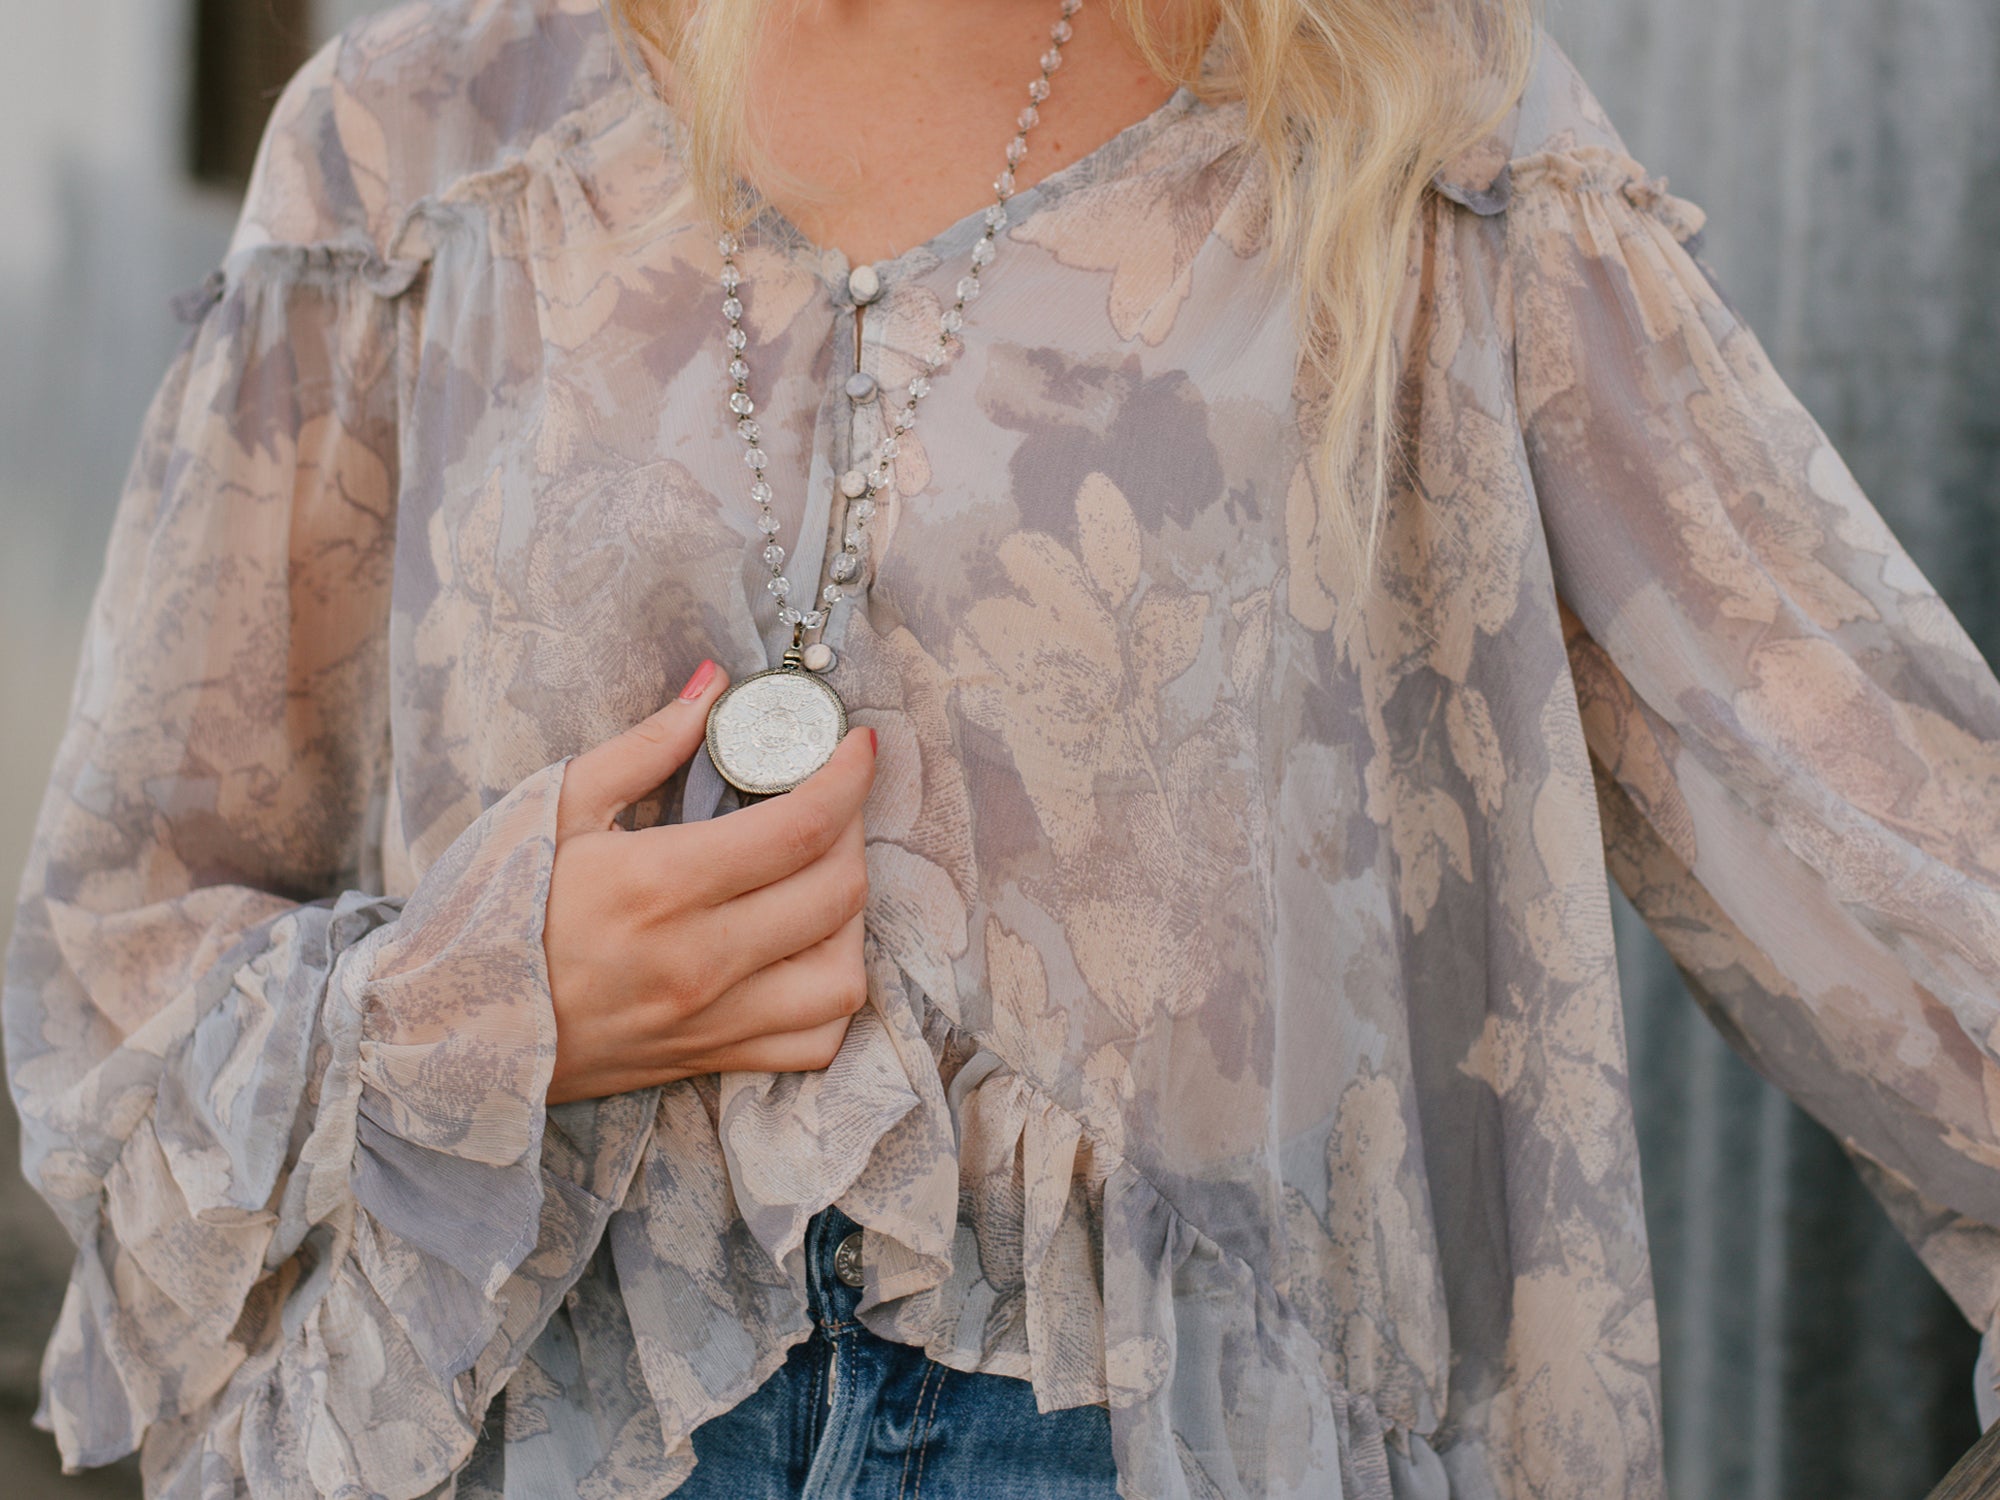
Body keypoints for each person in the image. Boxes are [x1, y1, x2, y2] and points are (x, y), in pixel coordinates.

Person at [9, 0, 2000, 1496]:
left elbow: (1888, 827)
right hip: (547, 1427)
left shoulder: (1409, 126)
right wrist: (477, 999)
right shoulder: (417, 138)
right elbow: (116, 952)